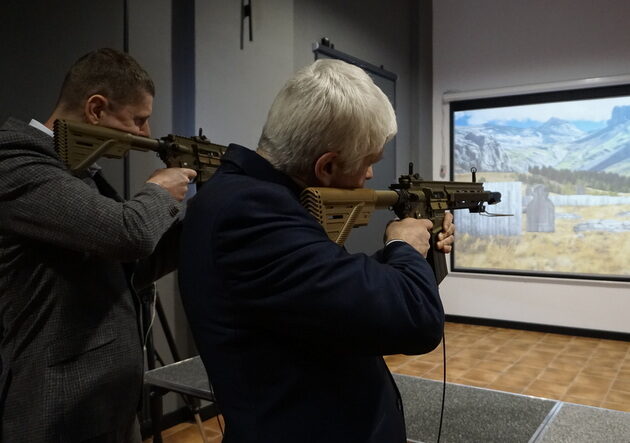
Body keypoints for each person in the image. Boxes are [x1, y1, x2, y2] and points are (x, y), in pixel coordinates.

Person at [178, 59, 454, 442]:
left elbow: (321, 292)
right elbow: (417, 322)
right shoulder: (250, 214)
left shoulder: (246, 198)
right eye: (369, 162)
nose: (371, 176)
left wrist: (410, 260)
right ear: (326, 167)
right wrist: (402, 245)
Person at [0, 48, 196, 442]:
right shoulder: (15, 162)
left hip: (104, 402)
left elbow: (129, 265)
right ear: (95, 109)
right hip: (56, 408)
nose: (145, 133)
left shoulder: (76, 173)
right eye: (138, 119)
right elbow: (130, 234)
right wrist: (160, 190)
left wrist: (206, 214)